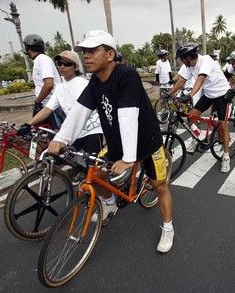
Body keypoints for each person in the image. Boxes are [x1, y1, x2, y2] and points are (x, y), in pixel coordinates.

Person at [47, 30, 175, 253]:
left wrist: (128, 158)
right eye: (84, 52)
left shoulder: (127, 75)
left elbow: (127, 114)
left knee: (159, 186)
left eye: (92, 50)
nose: (86, 56)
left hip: (147, 142)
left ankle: (168, 227)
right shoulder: (95, 82)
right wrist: (60, 138)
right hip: (117, 143)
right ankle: (109, 202)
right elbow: (80, 110)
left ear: (109, 54)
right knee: (95, 174)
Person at [18, 50, 103, 157]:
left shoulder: (84, 84)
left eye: (67, 64)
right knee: (75, 166)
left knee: (92, 167)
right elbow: (48, 109)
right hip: (73, 132)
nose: (62, 66)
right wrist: (28, 124)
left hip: (91, 131)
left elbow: (80, 111)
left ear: (76, 67)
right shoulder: (60, 88)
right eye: (59, 63)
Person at [168, 43, 232, 173]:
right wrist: (167, 94)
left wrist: (189, 96)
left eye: (182, 58)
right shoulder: (188, 65)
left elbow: (201, 79)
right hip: (208, 95)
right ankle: (199, 137)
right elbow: (181, 81)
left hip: (221, 95)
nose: (181, 61)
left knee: (222, 125)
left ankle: (226, 157)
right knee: (190, 117)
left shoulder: (206, 60)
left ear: (189, 57)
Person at [23, 34, 61, 129]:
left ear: (28, 48)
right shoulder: (39, 60)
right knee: (39, 132)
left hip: (51, 106)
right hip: (45, 105)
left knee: (55, 135)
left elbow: (48, 84)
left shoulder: (43, 60)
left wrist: (37, 101)